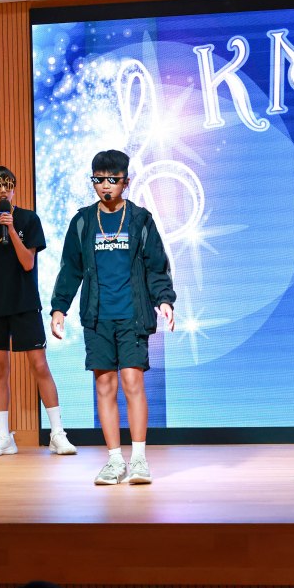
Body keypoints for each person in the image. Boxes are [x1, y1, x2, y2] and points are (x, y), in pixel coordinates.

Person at [50, 150, 176, 485]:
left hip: (132, 315)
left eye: (112, 179)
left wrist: (164, 300)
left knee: (133, 382)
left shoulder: (140, 219)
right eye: (99, 179)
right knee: (104, 386)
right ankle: (114, 461)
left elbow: (156, 266)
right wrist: (59, 307)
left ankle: (139, 460)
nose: (105, 185)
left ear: (126, 181)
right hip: (97, 317)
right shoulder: (82, 221)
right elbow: (71, 269)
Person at [0, 166, 76, 457]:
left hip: (25, 304)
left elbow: (28, 262)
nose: (3, 190)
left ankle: (57, 434)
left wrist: (11, 229)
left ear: (13, 189)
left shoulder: (28, 220)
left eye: (8, 185)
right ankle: (4, 437)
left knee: (39, 365)